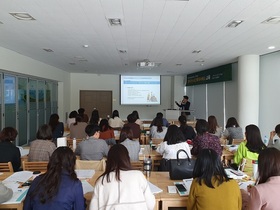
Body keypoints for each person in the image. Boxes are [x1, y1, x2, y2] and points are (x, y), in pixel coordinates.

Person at [89, 144, 155, 210]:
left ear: (108, 161)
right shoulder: (138, 175)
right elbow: (150, 205)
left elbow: (92, 208)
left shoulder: (101, 181)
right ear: (127, 159)